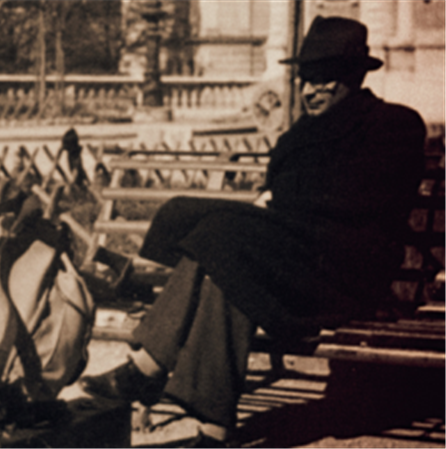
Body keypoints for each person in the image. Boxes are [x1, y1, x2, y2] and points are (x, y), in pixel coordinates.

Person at [78, 16, 426, 448]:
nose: (309, 90)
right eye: (304, 79)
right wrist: (275, 208)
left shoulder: (394, 125)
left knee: (226, 240)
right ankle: (213, 431)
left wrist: (278, 205)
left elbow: (358, 201)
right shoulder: (300, 134)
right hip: (290, 265)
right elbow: (285, 196)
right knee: (222, 258)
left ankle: (147, 368)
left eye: (322, 79)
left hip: (345, 275)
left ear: (352, 77)